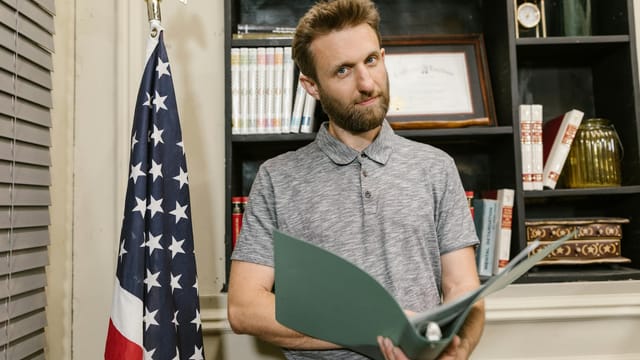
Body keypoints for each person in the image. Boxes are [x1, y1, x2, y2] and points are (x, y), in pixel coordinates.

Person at [227, 0, 485, 359]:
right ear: (311, 85)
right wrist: (379, 329)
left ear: (383, 57)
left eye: (371, 61)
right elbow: (244, 307)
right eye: (343, 71)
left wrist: (457, 349)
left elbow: (463, 289)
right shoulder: (277, 178)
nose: (367, 83)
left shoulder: (436, 168)